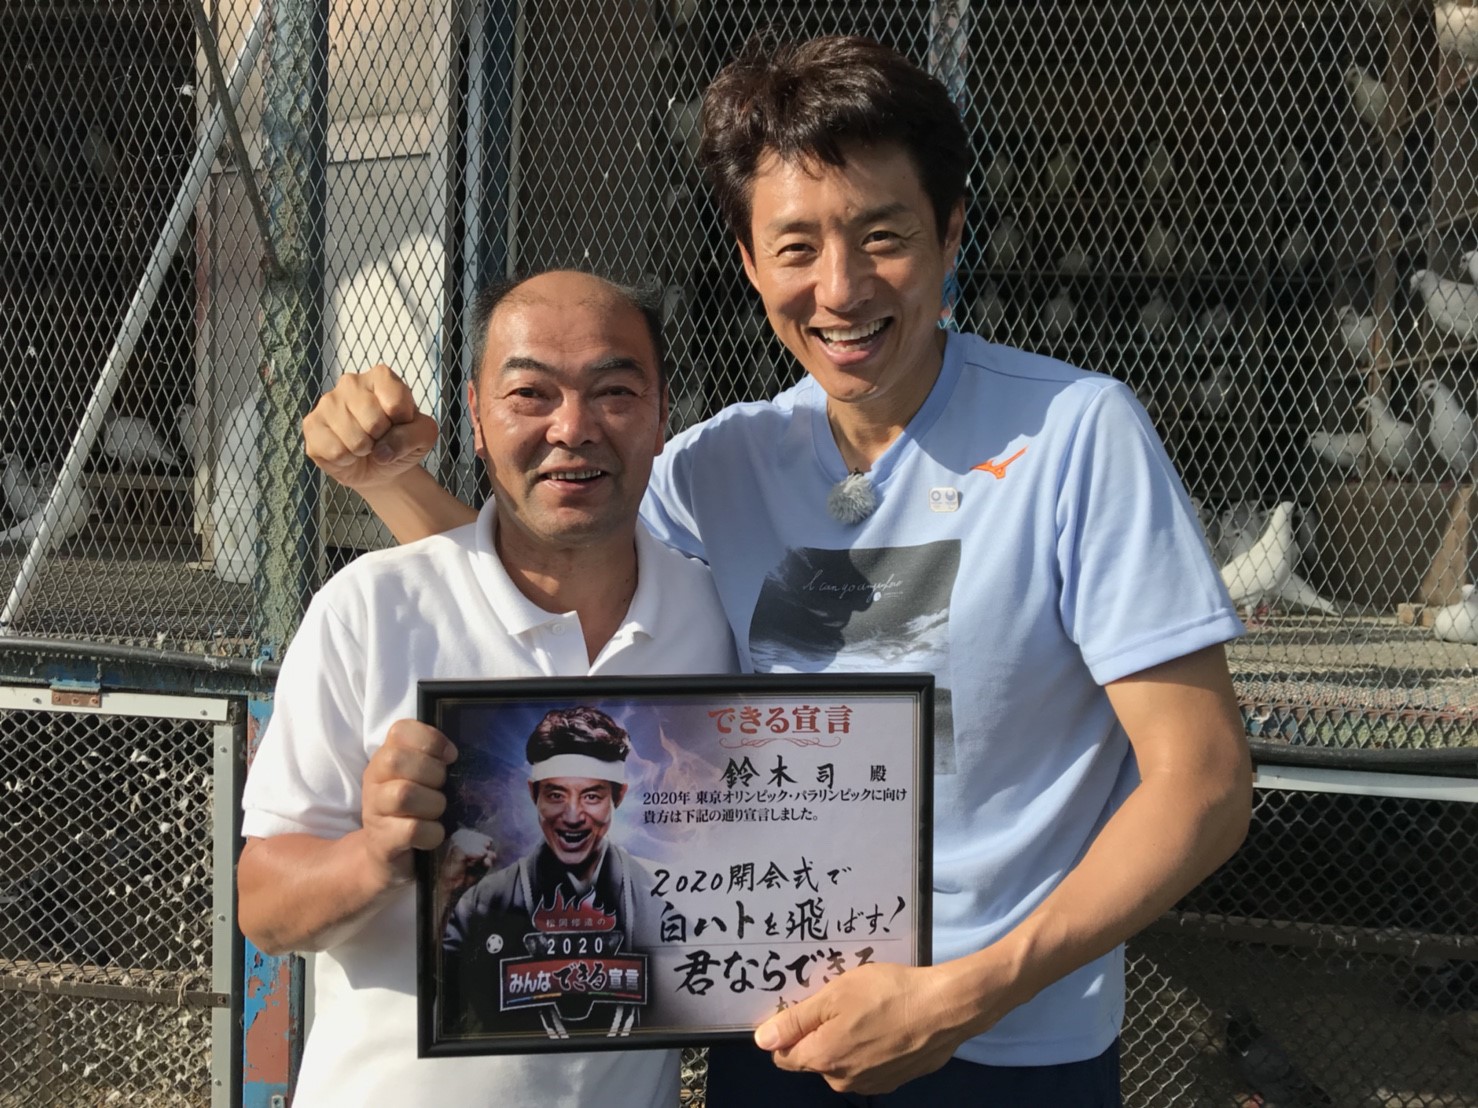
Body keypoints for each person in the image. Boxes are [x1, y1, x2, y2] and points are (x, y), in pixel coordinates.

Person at [302, 35, 1253, 1107]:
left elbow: (1205, 781)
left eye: (882, 235)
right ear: (751, 263)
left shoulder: (1075, 434)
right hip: (773, 1036)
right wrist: (393, 482)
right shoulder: (720, 465)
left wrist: (966, 995)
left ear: (949, 232)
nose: (839, 289)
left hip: (1003, 1049)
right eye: (795, 246)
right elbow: (546, 591)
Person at [237, 270, 738, 1106]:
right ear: (474, 416)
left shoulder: (711, 619)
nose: (572, 427)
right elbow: (263, 906)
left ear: (662, 418)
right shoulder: (372, 608)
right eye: (530, 393)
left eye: (614, 392)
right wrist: (375, 855)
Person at [441, 706, 663, 1038]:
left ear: (617, 797)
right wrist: (446, 893)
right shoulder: (482, 901)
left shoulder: (660, 893)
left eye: (591, 796)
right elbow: (439, 1003)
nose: (572, 817)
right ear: (534, 794)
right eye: (556, 795)